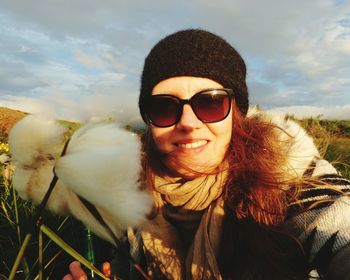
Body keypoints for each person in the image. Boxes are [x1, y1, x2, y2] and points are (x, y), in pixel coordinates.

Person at [9, 29, 350, 279]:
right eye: (164, 108)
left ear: (237, 113)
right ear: (149, 121)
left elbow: (335, 224)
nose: (188, 122)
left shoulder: (287, 175)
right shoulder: (121, 188)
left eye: (210, 102)